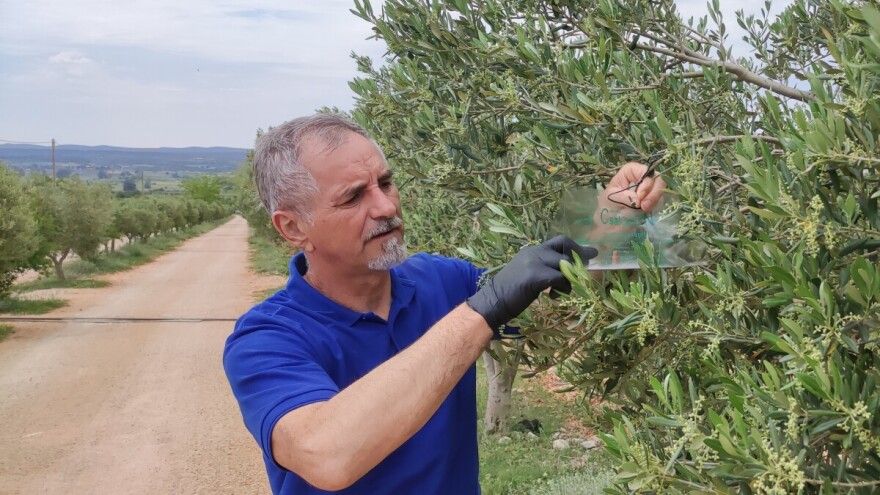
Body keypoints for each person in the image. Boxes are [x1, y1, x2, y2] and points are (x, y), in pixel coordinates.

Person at [223, 114, 666, 494]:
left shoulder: (442, 279)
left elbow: (560, 316)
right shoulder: (266, 338)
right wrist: (482, 311)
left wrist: (613, 222)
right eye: (353, 196)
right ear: (294, 227)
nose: (385, 206)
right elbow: (326, 455)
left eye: (386, 183)